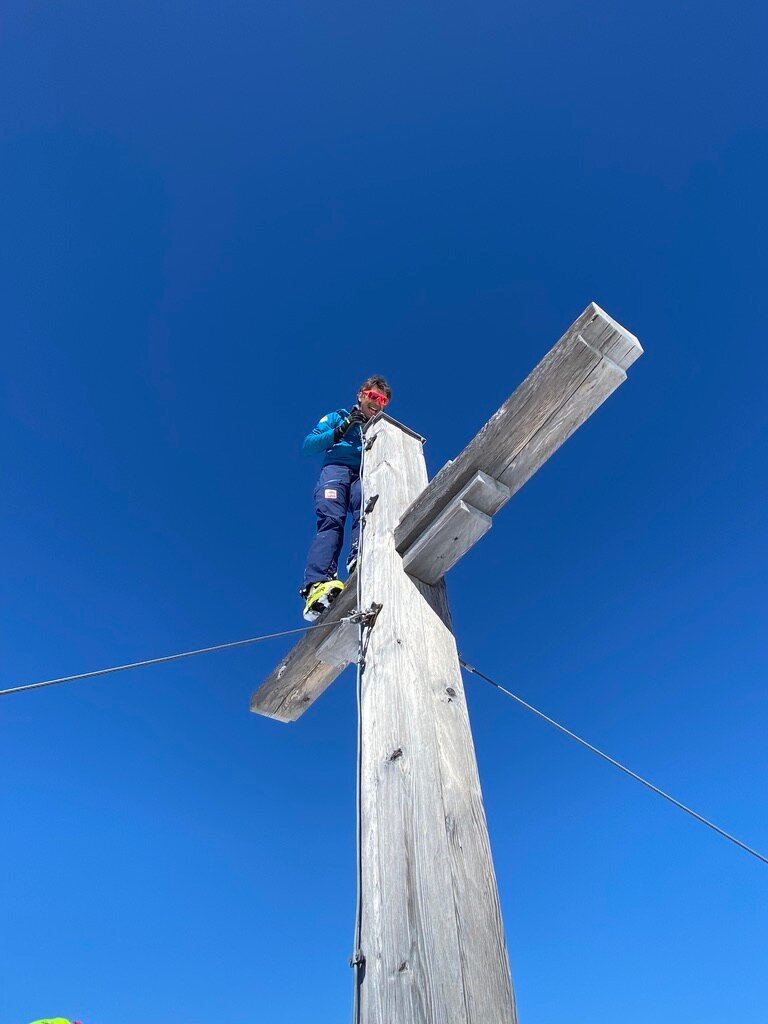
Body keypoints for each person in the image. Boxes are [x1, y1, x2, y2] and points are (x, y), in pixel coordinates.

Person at [300, 376, 391, 620]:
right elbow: (308, 446)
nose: (377, 403)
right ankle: (318, 583)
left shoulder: (380, 427)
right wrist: (343, 429)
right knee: (332, 519)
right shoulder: (338, 417)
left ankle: (359, 555)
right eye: (373, 396)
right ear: (362, 395)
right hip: (336, 470)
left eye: (382, 400)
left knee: (368, 507)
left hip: (363, 473)